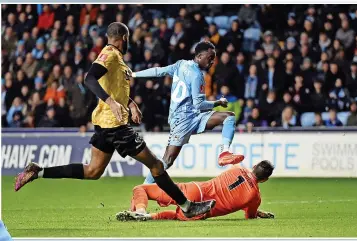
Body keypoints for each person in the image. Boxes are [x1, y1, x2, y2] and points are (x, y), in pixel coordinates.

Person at [14, 22, 215, 219]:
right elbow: (89, 78)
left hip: (104, 124)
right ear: (124, 39)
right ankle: (187, 206)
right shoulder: (109, 55)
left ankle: (37, 172)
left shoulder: (115, 57)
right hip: (116, 126)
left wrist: (130, 103)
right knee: (157, 166)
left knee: (93, 171)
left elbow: (113, 87)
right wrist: (111, 102)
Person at [131, 41, 244, 184]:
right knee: (167, 161)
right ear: (199, 56)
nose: (212, 62)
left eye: (213, 59)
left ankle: (224, 153)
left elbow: (158, 71)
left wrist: (134, 74)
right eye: (210, 58)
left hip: (192, 116)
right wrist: (217, 103)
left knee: (228, 117)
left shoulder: (180, 65)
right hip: (182, 120)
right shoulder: (197, 75)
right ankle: (143, 189)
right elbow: (199, 104)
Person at [115, 160, 275, 221]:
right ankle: (149, 217)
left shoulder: (237, 167)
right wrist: (256, 212)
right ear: (265, 180)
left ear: (254, 166)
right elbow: (249, 215)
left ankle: (141, 211)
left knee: (141, 189)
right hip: (203, 211)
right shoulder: (255, 196)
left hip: (195, 190)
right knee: (179, 215)